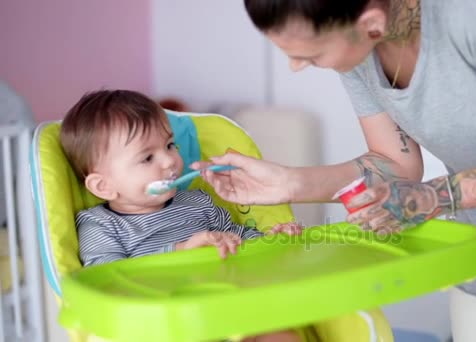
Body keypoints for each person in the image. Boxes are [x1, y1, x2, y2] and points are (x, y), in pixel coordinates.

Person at [191, 0, 476, 341]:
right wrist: (288, 183)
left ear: (372, 22)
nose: (297, 66)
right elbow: (397, 163)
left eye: (310, 54)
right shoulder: (359, 48)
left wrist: (436, 197)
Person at [60, 89, 303, 342]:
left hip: (228, 308)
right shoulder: (101, 225)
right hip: (162, 326)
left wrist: (272, 241)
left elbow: (238, 238)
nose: (170, 160)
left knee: (282, 335)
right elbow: (107, 278)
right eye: (147, 157)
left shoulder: (198, 202)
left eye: (169, 145)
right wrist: (179, 251)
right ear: (103, 187)